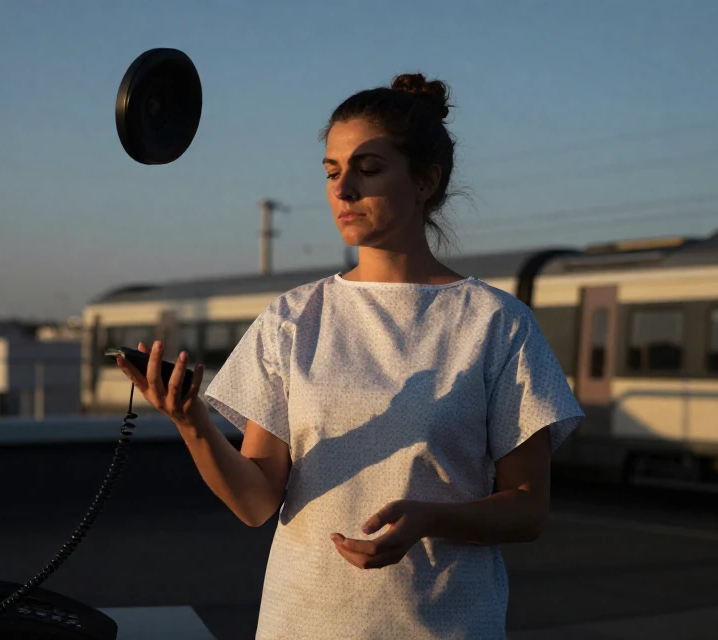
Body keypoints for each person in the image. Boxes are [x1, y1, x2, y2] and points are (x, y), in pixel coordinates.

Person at [113, 72, 584, 640]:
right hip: (301, 624)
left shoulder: (496, 322)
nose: (343, 190)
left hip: (447, 627)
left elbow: (528, 510)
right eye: (332, 172)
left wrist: (431, 518)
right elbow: (256, 502)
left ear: (426, 180)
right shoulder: (293, 318)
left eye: (369, 168)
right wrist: (192, 424)